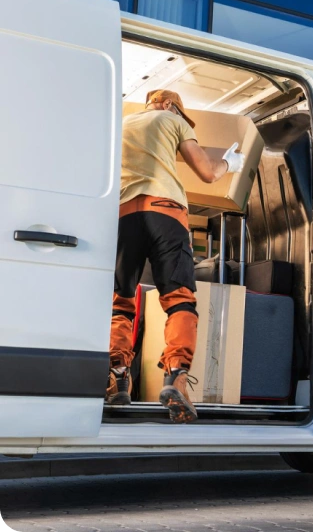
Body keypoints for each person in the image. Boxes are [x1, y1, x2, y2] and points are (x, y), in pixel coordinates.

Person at [106, 89, 245, 423]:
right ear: (169, 104)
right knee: (179, 299)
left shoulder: (119, 124)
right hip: (165, 211)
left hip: (123, 214)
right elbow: (208, 173)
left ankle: (118, 380)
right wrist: (230, 163)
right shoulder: (172, 120)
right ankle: (176, 378)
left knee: (120, 301)